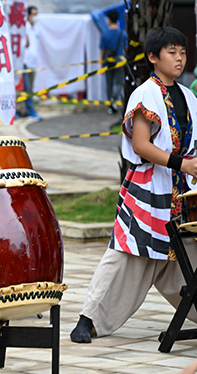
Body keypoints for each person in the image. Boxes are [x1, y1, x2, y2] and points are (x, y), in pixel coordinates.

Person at [70, 27, 197, 344]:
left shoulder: (189, 97)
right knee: (127, 253)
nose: (179, 58)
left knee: (188, 256)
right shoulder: (145, 94)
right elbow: (141, 145)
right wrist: (182, 164)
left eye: (182, 52)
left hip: (182, 189)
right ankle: (88, 319)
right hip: (148, 188)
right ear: (153, 57)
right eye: (171, 52)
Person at [99, 9, 128, 114]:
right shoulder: (123, 33)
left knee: (109, 84)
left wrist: (101, 63)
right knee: (119, 83)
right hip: (120, 62)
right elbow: (126, 48)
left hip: (107, 62)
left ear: (109, 19)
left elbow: (102, 49)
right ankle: (113, 100)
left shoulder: (105, 34)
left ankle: (110, 104)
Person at [21, 6, 41, 121]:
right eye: (33, 14)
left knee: (30, 89)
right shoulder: (24, 27)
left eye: (36, 14)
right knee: (26, 88)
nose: (35, 16)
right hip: (25, 62)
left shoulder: (36, 28)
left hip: (34, 63)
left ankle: (27, 110)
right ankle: (29, 110)